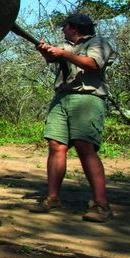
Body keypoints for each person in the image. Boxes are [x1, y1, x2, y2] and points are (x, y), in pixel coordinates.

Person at [30, 12, 117, 223]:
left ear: (75, 28)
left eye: (65, 26)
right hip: (62, 97)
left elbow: (92, 64)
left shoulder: (99, 43)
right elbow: (53, 58)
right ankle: (53, 198)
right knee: (55, 145)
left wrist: (62, 53)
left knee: (84, 146)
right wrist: (45, 51)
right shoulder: (65, 46)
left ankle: (101, 204)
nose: (62, 29)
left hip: (87, 98)